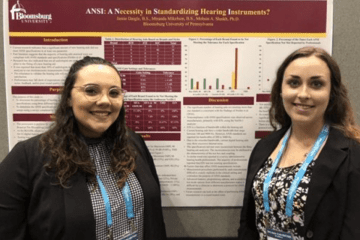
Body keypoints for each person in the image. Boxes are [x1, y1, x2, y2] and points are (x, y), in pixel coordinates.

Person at [0, 56, 167, 239]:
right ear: (69, 98)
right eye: (91, 91)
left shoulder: (134, 143)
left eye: (114, 93)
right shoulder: (27, 157)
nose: (105, 101)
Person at [238, 47, 360, 240]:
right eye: (294, 83)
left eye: (316, 84)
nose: (303, 94)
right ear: (281, 90)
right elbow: (248, 223)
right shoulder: (264, 147)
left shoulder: (352, 154)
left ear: (332, 93)